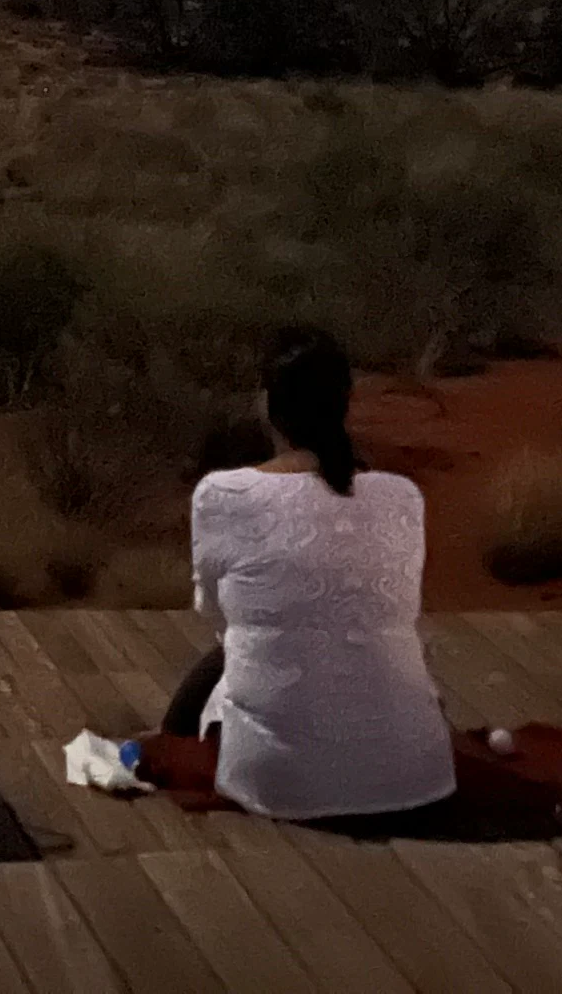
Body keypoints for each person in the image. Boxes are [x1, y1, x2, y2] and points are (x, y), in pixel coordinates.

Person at [164, 327, 457, 825]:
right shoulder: (402, 496)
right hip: (416, 776)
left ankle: (169, 744)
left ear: (266, 404)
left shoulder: (223, 496)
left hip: (279, 782)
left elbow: (214, 614)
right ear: (345, 404)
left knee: (228, 659)